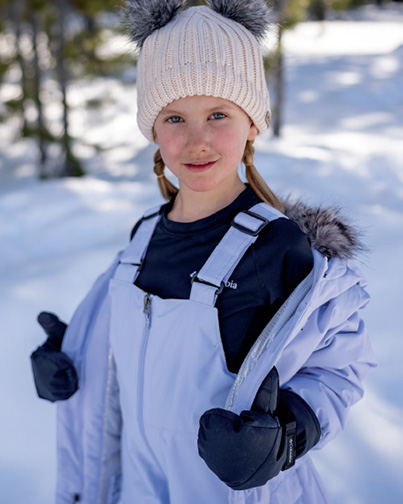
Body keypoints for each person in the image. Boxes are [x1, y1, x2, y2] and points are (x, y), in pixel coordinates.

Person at [31, 1, 376, 503]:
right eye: (174, 117)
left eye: (218, 114)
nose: (197, 140)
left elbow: (340, 366)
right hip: (140, 489)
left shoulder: (278, 248)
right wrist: (71, 359)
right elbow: (123, 353)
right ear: (152, 129)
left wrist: (285, 436)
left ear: (252, 122)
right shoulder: (143, 239)